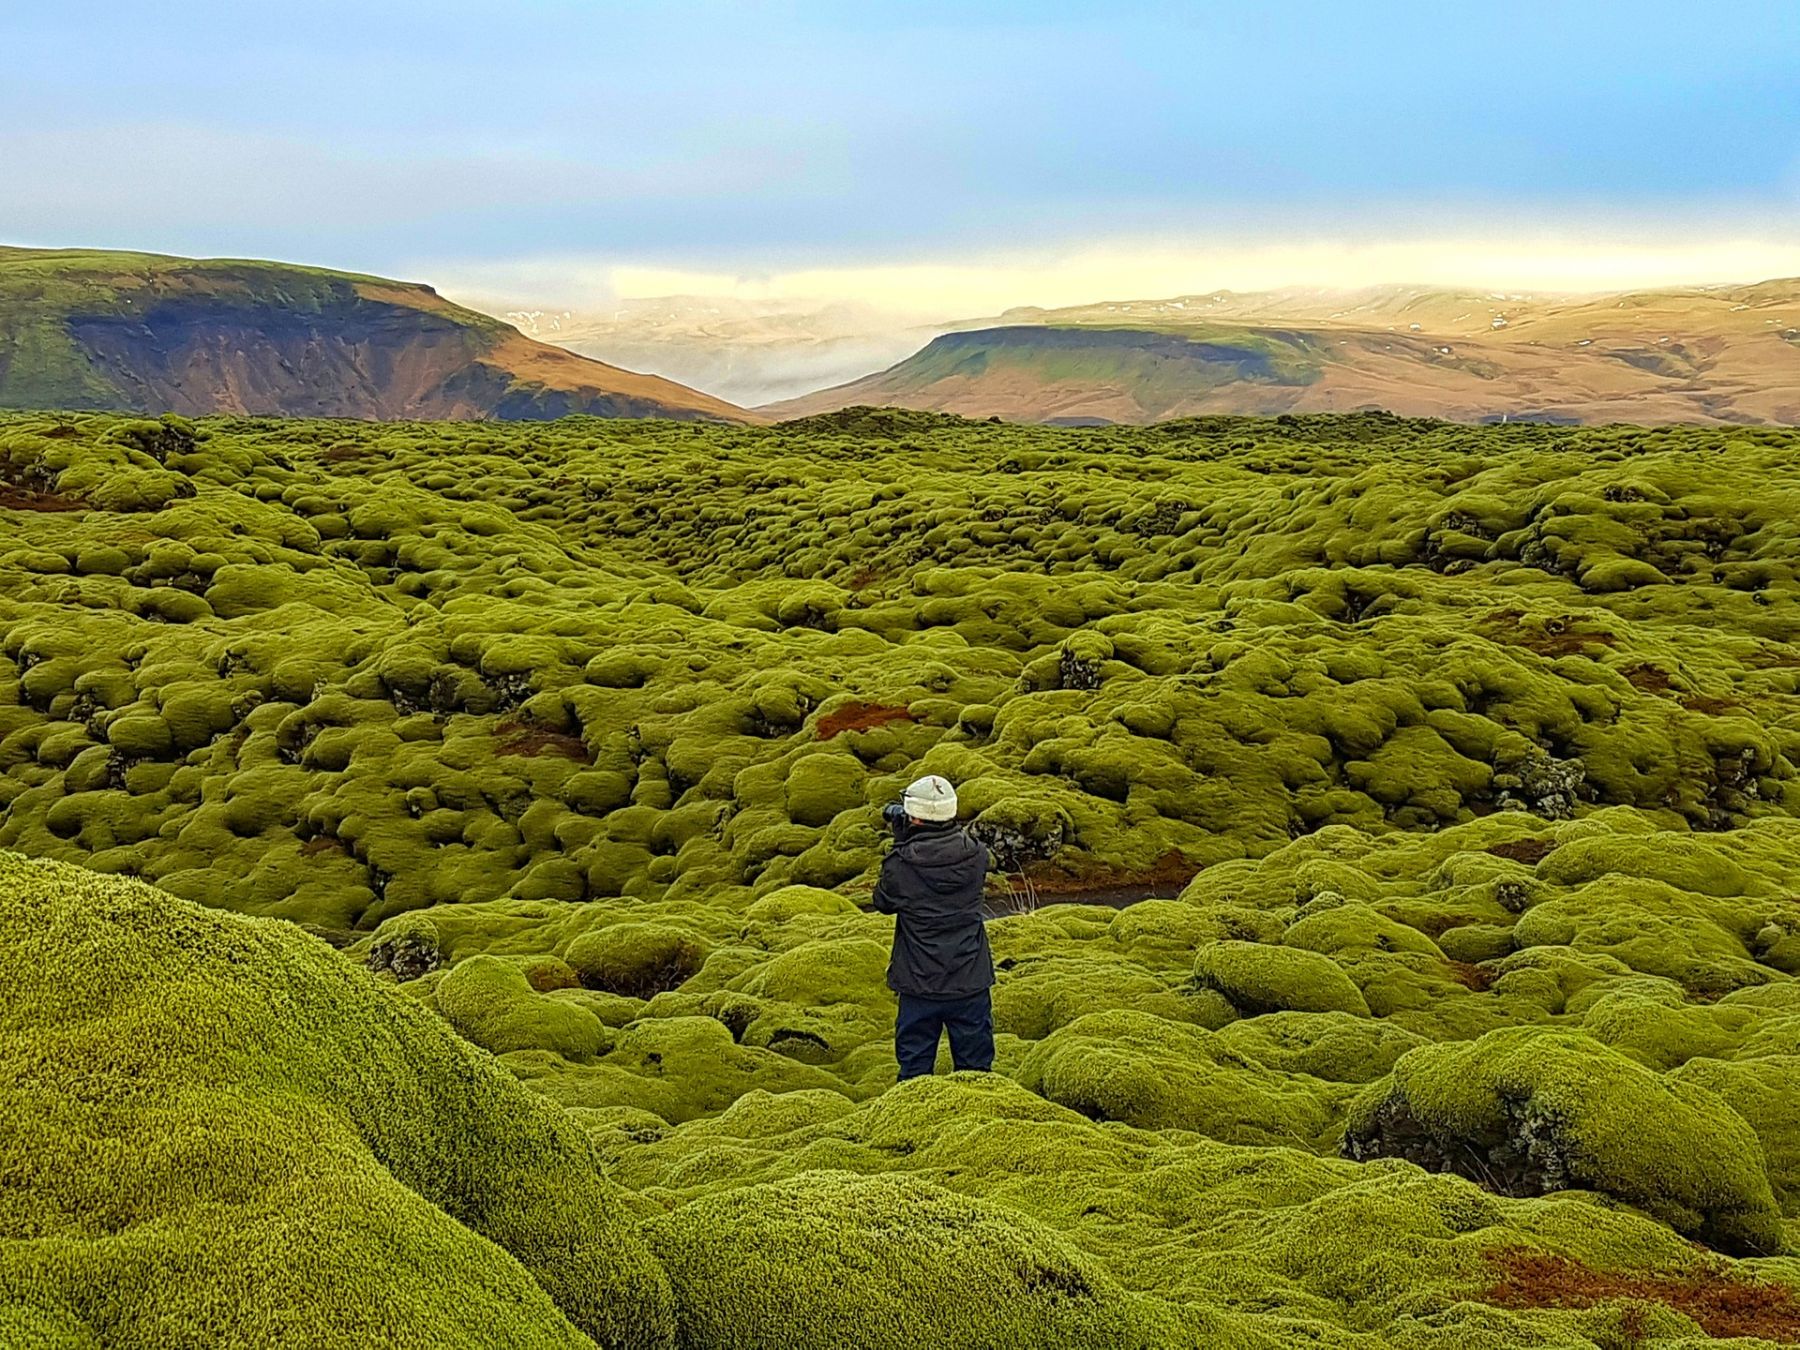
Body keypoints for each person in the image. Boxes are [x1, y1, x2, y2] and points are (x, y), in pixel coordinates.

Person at [871, 774, 994, 1080]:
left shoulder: (901, 865)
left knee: (914, 1071)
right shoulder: (977, 855)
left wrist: (902, 841)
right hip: (970, 976)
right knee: (977, 1072)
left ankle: (910, 1125)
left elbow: (883, 901)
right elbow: (952, 849)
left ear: (914, 817)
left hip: (919, 982)